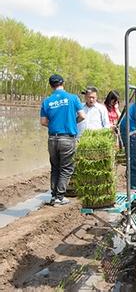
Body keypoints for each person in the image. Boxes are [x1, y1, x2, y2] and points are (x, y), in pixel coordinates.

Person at [40, 74, 85, 205]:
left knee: (55, 167)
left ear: (51, 85)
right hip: (67, 138)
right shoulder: (72, 98)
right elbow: (82, 116)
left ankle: (54, 196)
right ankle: (60, 197)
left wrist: (55, 125)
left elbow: (43, 122)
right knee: (66, 168)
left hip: (52, 139)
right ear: (63, 83)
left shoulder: (47, 101)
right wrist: (72, 122)